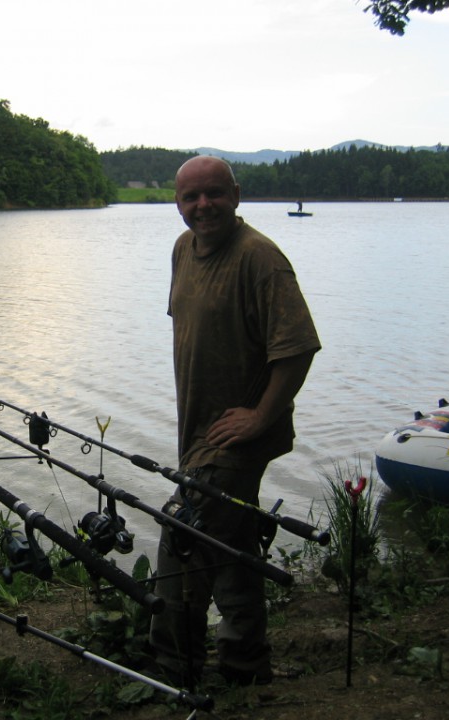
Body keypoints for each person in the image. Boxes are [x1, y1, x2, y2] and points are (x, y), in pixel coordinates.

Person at [148, 155, 321, 687]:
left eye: (214, 194)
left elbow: (297, 348)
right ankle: (246, 662)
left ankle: (174, 668)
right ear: (177, 203)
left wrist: (261, 415)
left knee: (183, 540)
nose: (203, 206)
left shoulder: (261, 259)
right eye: (190, 198)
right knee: (232, 548)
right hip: (196, 431)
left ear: (237, 194)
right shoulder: (183, 250)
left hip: (233, 439)